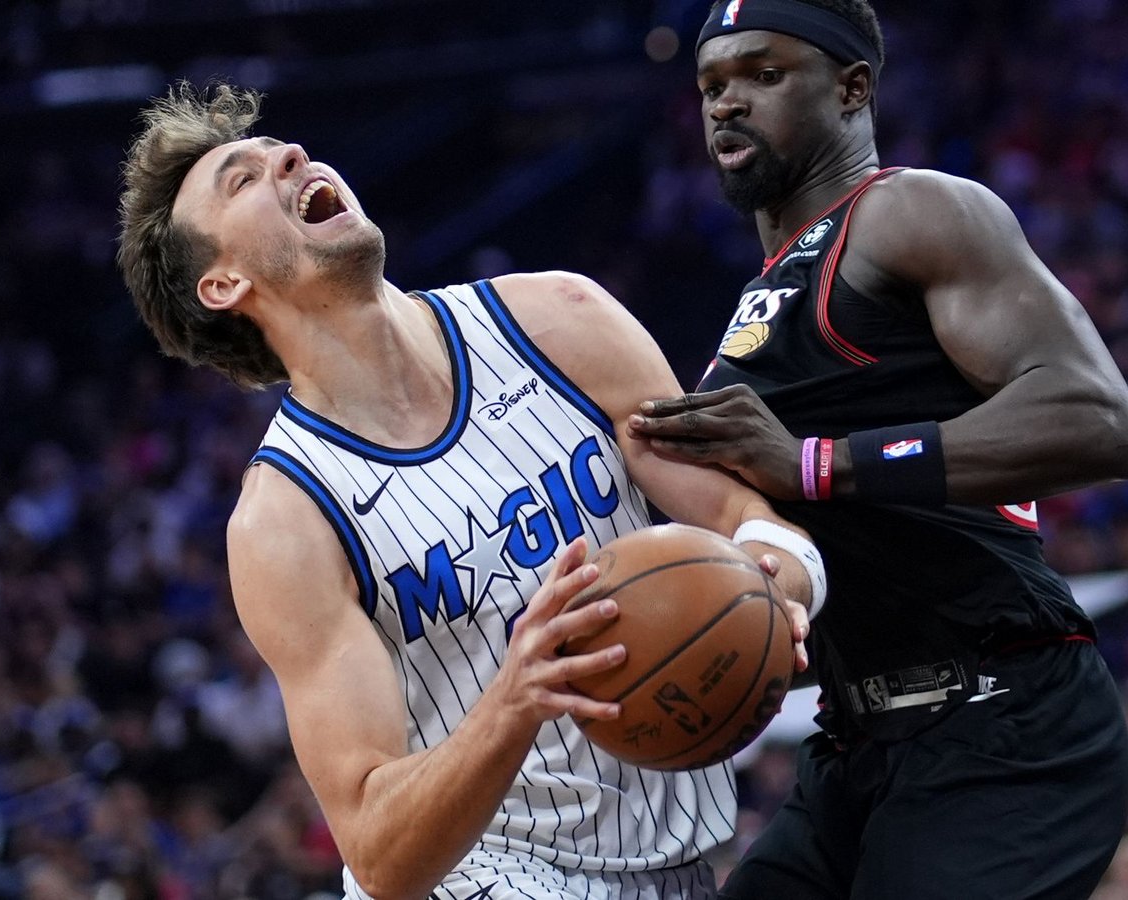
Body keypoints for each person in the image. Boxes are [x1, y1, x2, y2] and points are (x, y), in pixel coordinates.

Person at [114, 82, 828, 900]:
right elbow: (379, 853)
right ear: (223, 285)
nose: (289, 155)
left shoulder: (559, 319)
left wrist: (782, 583)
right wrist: (512, 702)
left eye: (282, 148)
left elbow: (748, 517)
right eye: (240, 180)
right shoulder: (285, 520)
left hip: (679, 865)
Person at [626, 1, 1128, 896]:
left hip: (1003, 717)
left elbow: (1098, 418)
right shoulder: (755, 306)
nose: (726, 103)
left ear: (853, 87)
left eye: (764, 74)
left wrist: (813, 465)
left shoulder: (913, 212)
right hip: (856, 739)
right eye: (712, 85)